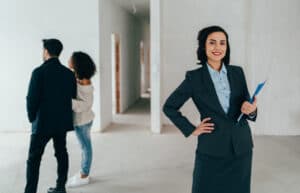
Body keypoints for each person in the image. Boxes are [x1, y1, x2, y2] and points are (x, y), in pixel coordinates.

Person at [163, 26, 258, 193]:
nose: (218, 47)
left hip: (241, 146)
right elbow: (169, 107)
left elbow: (247, 106)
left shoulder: (237, 72)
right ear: (203, 46)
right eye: (212, 42)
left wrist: (251, 110)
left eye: (222, 43)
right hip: (212, 147)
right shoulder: (194, 78)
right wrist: (192, 129)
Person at [25, 39, 77, 193]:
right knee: (61, 153)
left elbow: (31, 98)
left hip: (42, 123)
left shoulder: (38, 72)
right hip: (61, 122)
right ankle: (61, 187)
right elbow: (72, 96)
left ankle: (30, 191)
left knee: (34, 159)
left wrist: (31, 117)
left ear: (46, 51)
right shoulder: (69, 74)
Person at [66, 51, 96, 188]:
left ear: (77, 63)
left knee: (86, 148)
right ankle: (84, 172)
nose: (68, 60)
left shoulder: (84, 83)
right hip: (84, 119)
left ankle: (84, 175)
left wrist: (68, 101)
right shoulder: (79, 78)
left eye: (71, 59)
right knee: (85, 147)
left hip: (83, 121)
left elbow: (85, 105)